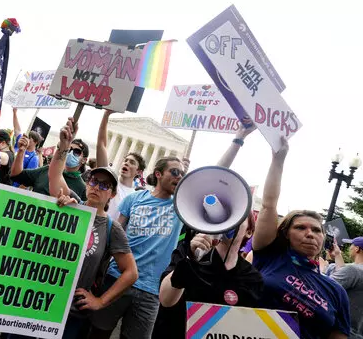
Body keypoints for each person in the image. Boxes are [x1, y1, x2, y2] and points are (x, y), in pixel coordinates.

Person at [2, 118, 138, 339]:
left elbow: (131, 272)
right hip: (35, 300)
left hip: (70, 314)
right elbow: (55, 174)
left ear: (112, 195)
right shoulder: (71, 203)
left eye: (104, 186)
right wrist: (64, 147)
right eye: (93, 181)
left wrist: (100, 301)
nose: (96, 187)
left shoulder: (112, 228)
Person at [152, 121, 260, 338]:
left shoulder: (252, 278)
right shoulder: (189, 252)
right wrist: (190, 259)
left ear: (249, 231)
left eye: (238, 219)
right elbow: (166, 299)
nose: (230, 224)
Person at [252, 137, 351, 339]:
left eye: (316, 230)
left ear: (323, 238)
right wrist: (278, 161)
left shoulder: (336, 291)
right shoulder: (271, 257)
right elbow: (268, 205)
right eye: (301, 227)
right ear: (286, 233)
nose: (310, 233)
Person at [89, 156, 184, 339]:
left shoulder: (180, 206)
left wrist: (238, 139)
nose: (179, 177)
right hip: (117, 279)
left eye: (182, 173)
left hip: (151, 291)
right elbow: (111, 237)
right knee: (97, 334)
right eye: (174, 172)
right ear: (158, 174)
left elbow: (207, 179)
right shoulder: (134, 199)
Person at [96, 110, 146, 220]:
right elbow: (101, 145)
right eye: (126, 160)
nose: (127, 163)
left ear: (139, 172)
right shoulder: (110, 181)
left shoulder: (135, 196)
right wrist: (106, 115)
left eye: (132, 162)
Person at [11, 135, 88, 200]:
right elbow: (16, 175)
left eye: (77, 152)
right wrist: (21, 151)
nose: (70, 153)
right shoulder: (47, 170)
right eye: (69, 149)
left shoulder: (83, 189)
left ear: (84, 160)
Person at [330, 237, 363, 338]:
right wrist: (337, 255)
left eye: (351, 245)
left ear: (357, 248)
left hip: (339, 332)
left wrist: (321, 270)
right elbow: (347, 274)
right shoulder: (355, 270)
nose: (349, 248)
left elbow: (323, 289)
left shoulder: (354, 270)